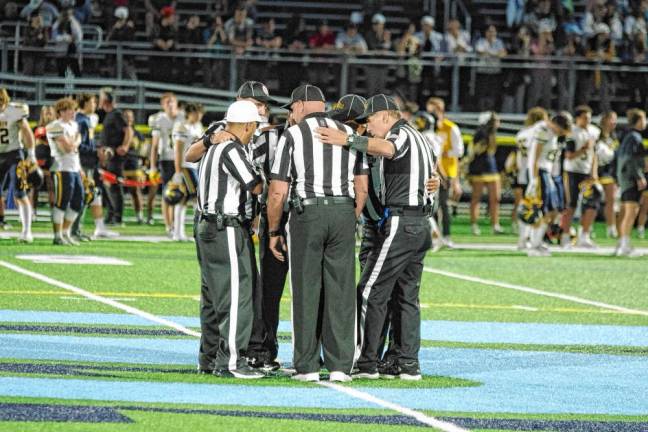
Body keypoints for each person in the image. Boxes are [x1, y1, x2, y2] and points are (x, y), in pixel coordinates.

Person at [317, 94, 436, 381]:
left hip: (400, 222)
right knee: (405, 296)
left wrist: (346, 140)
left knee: (370, 290)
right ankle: (405, 363)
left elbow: (388, 148)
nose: (368, 128)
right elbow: (429, 175)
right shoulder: (420, 138)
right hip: (417, 223)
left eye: (370, 121)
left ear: (385, 116)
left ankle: (365, 361)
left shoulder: (401, 134)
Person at [266, 84, 368, 383]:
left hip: (307, 213)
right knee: (341, 291)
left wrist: (274, 230)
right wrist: (349, 216)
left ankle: (307, 366)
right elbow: (361, 187)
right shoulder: (347, 133)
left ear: (298, 106)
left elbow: (277, 191)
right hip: (343, 211)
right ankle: (339, 366)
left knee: (306, 290)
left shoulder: (293, 134)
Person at [194, 100, 264, 379]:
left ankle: (209, 358)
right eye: (254, 127)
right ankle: (232, 361)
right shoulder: (232, 149)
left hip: (207, 226)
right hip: (226, 227)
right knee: (236, 295)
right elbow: (255, 185)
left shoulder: (213, 147)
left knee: (212, 296)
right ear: (247, 125)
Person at [525, 112, 573, 257]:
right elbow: (535, 156)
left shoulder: (553, 133)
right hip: (540, 171)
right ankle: (534, 245)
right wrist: (533, 179)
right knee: (541, 210)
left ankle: (538, 242)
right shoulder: (543, 130)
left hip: (548, 172)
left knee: (552, 210)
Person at [72, 93, 117, 241]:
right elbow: (79, 146)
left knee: (95, 194)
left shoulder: (85, 119)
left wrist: (99, 150)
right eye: (92, 102)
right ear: (84, 103)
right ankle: (74, 230)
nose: (95, 105)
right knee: (83, 196)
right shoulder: (81, 120)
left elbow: (88, 144)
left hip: (89, 163)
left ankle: (99, 227)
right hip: (82, 163)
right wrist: (97, 152)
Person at [46, 97, 84, 246]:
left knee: (78, 201)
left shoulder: (73, 125)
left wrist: (80, 168)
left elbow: (73, 147)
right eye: (70, 110)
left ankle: (65, 232)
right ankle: (57, 235)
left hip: (74, 167)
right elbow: (66, 148)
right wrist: (76, 141)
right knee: (62, 202)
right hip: (62, 168)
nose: (73, 112)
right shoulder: (55, 126)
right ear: (61, 111)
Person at [560, 105, 600, 248]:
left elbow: (595, 154)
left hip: (587, 172)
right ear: (577, 119)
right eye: (584, 118)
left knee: (593, 200)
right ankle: (564, 237)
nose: (587, 121)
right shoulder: (572, 132)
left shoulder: (594, 131)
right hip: (572, 172)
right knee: (571, 204)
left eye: (589, 118)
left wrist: (594, 172)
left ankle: (584, 236)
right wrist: (584, 149)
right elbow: (569, 156)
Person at [0, 88, 36, 243]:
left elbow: (27, 132)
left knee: (19, 193)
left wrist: (32, 154)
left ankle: (26, 231)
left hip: (14, 154)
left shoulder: (14, 110)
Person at [426, 97, 463, 247]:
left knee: (443, 204)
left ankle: (446, 235)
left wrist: (444, 152)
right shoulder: (430, 128)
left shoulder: (450, 127)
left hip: (446, 171)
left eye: (433, 110)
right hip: (432, 170)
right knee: (431, 204)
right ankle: (435, 236)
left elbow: (459, 151)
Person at [148, 92, 184, 232]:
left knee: (182, 192)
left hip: (182, 159)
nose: (170, 104)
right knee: (167, 193)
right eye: (167, 102)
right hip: (166, 159)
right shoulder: (158, 119)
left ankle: (177, 224)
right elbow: (155, 145)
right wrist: (152, 166)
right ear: (163, 105)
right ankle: (169, 225)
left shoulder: (183, 116)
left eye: (172, 101)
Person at [514, 107, 548, 249]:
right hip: (534, 172)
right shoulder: (538, 132)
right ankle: (532, 240)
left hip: (522, 171)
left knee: (525, 205)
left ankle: (523, 239)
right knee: (534, 207)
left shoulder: (521, 133)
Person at [615, 109, 647, 257]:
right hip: (630, 178)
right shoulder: (634, 137)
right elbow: (630, 159)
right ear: (639, 121)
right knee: (631, 211)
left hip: (625, 177)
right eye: (644, 118)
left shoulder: (628, 137)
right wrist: (639, 176)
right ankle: (624, 245)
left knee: (626, 210)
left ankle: (622, 243)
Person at [171, 102, 203, 241]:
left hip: (195, 166)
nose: (199, 116)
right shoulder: (181, 126)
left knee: (183, 200)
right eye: (196, 113)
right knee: (196, 197)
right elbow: (178, 150)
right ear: (189, 113)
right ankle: (197, 231)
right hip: (185, 166)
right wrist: (178, 172)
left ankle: (178, 232)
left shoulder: (198, 126)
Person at [467, 111, 504, 235]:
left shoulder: (491, 135)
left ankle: (495, 225)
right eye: (496, 121)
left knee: (495, 198)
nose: (498, 123)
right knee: (477, 198)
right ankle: (474, 225)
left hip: (491, 167)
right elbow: (475, 151)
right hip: (480, 168)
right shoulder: (481, 134)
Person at [102, 90, 133, 226]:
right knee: (108, 186)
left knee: (114, 186)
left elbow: (129, 130)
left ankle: (117, 217)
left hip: (115, 155)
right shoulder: (110, 114)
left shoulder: (116, 114)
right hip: (108, 155)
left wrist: (125, 146)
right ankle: (111, 214)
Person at [595, 111, 619, 238]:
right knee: (592, 201)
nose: (614, 122)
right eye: (612, 119)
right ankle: (586, 229)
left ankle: (611, 228)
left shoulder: (614, 136)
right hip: (595, 170)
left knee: (612, 199)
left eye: (615, 119)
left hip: (609, 171)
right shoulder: (596, 134)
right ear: (604, 120)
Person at [122, 109, 146, 224]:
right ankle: (116, 215)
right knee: (116, 191)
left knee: (135, 191)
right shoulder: (118, 131)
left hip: (133, 164)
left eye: (130, 116)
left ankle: (139, 215)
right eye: (126, 116)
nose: (128, 118)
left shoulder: (137, 133)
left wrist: (143, 165)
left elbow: (144, 150)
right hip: (120, 164)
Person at [52, 7, 83, 77]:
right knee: (61, 72)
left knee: (76, 72)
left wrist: (72, 39)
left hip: (72, 50)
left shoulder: (74, 23)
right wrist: (65, 38)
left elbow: (78, 36)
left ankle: (79, 86)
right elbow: (54, 37)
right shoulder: (57, 23)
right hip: (60, 51)